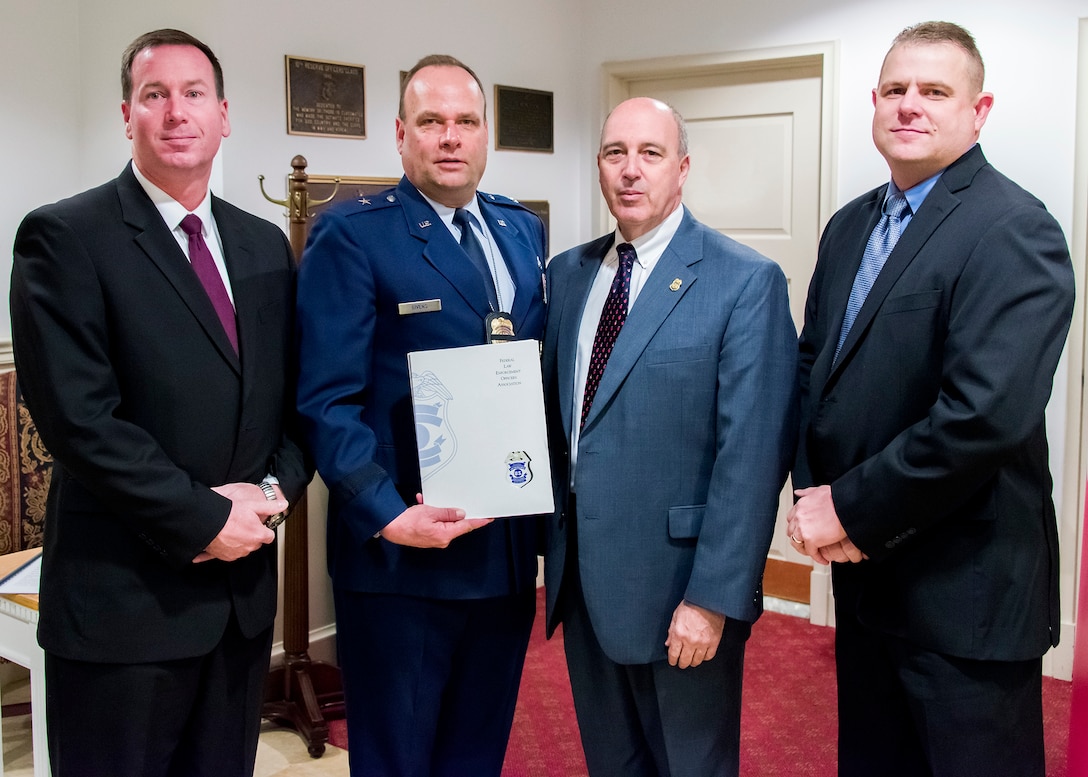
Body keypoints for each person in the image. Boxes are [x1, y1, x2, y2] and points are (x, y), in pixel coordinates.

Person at [9, 28, 310, 777]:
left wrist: (272, 497)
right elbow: (80, 422)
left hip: (239, 606)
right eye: (155, 95)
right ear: (127, 114)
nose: (177, 111)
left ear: (224, 114)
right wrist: (207, 517)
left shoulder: (263, 245)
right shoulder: (66, 237)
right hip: (124, 613)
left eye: (193, 93)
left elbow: (293, 405)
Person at [788, 21, 1075, 777]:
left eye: (935, 91)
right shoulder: (851, 225)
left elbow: (982, 417)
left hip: (964, 598)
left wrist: (847, 506)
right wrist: (812, 492)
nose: (910, 105)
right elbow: (813, 368)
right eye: (895, 89)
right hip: (869, 577)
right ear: (874, 102)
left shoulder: (1014, 228)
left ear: (978, 112)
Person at [295, 55, 547, 776]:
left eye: (466, 121)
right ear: (401, 135)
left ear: (485, 133)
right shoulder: (353, 235)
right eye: (431, 122)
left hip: (501, 550)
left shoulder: (519, 231)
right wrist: (383, 513)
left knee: (477, 749)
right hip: (402, 555)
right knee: (400, 756)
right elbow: (325, 401)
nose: (450, 137)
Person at [541, 97, 798, 777]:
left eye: (650, 154)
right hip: (583, 586)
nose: (631, 171)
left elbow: (752, 459)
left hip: (681, 593)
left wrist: (713, 598)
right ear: (598, 166)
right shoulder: (568, 274)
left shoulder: (745, 282)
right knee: (612, 764)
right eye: (614, 153)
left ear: (681, 169)